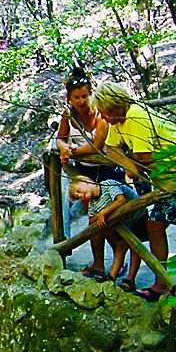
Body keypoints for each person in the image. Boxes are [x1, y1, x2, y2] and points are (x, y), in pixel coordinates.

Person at [91, 82, 176, 302]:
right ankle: (162, 282)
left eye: (104, 112)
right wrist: (129, 165)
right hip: (168, 180)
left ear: (114, 106)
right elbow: (110, 148)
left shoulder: (135, 116)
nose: (103, 118)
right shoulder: (118, 122)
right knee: (155, 224)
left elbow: (146, 158)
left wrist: (132, 164)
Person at [54, 67, 119, 277]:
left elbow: (98, 145)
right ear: (69, 98)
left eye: (84, 96)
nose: (81, 101)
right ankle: (99, 263)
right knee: (93, 217)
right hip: (84, 172)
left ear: (91, 93)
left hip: (107, 169)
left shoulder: (100, 112)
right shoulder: (68, 114)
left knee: (109, 219)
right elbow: (61, 137)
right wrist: (64, 148)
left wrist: (72, 151)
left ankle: (119, 258)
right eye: (76, 97)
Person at [69, 176, 146, 292]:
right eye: (77, 197)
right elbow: (92, 219)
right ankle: (112, 277)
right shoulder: (93, 203)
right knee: (121, 246)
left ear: (86, 181)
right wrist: (97, 217)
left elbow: (121, 200)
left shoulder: (108, 184)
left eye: (78, 191)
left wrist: (103, 213)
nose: (80, 196)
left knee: (135, 248)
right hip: (124, 222)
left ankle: (130, 279)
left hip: (138, 216)